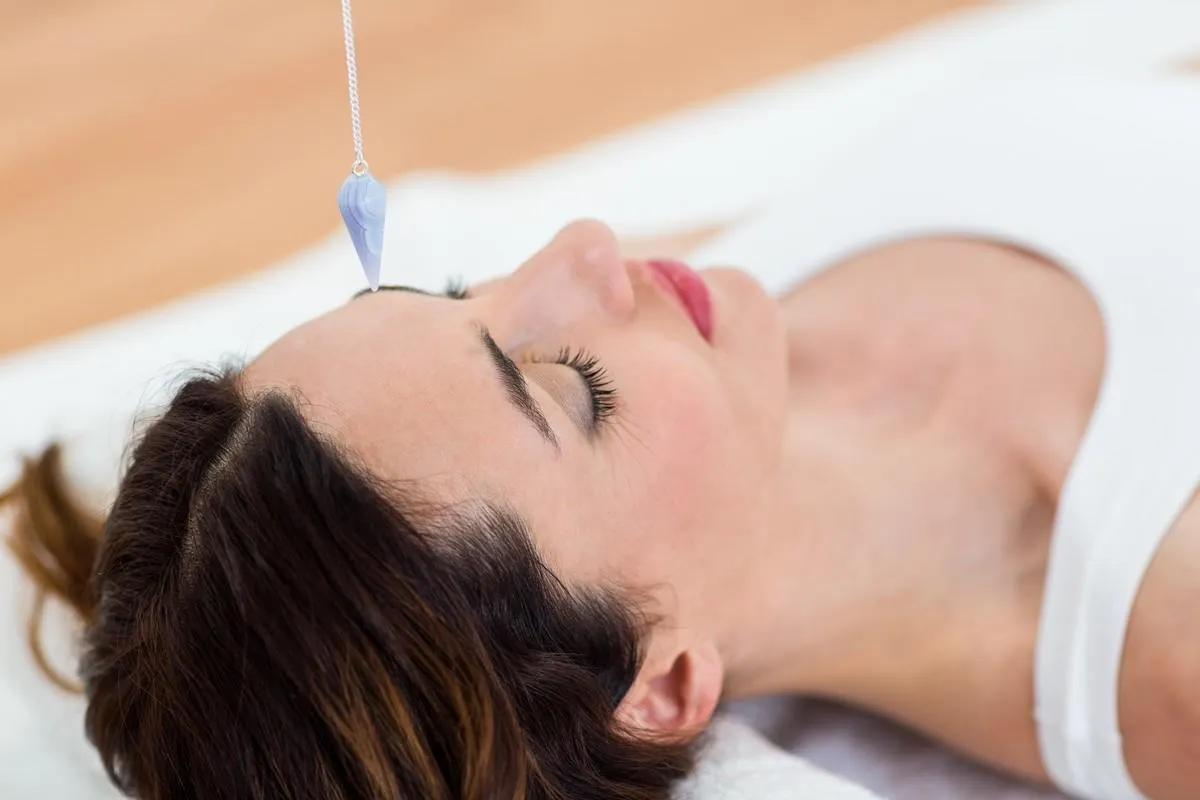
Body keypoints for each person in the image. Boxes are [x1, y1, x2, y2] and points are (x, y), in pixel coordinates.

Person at [4, 78, 1199, 800]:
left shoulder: (729, 342)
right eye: (572, 387)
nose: (580, 248)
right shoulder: (1172, 647)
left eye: (463, 286)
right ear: (662, 684)